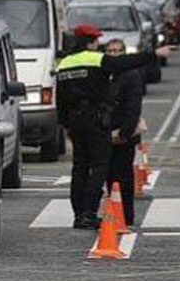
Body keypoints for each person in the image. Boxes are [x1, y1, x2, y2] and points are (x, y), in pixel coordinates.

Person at [56, 24, 172, 230]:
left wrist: (65, 125)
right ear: (90, 42)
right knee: (99, 166)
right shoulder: (94, 59)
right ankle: (90, 213)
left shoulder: (64, 63)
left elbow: (60, 100)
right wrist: (153, 53)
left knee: (79, 167)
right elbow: (125, 63)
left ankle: (78, 213)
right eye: (96, 42)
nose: (98, 45)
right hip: (95, 120)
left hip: (75, 122)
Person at [104, 38, 144, 227]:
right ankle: (112, 212)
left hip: (124, 133)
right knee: (108, 175)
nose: (113, 55)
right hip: (105, 133)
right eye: (110, 51)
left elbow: (133, 107)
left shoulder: (131, 75)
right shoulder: (103, 73)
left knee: (124, 175)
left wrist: (124, 133)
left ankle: (126, 216)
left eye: (117, 51)